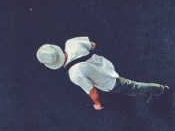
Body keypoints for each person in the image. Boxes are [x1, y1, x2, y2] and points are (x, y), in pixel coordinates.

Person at [38, 37, 167, 109]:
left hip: (109, 82)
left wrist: (97, 104)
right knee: (131, 86)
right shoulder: (71, 43)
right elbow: (93, 45)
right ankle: (153, 91)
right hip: (105, 65)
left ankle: (159, 90)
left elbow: (92, 91)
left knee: (133, 87)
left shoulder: (74, 74)